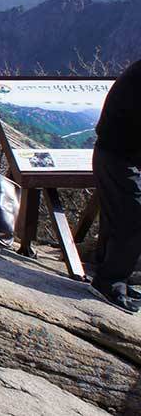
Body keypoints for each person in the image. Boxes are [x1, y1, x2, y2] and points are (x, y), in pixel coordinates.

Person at [89, 58, 141, 314]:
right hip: (118, 154)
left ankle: (112, 275)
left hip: (120, 152)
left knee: (120, 215)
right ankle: (110, 281)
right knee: (132, 216)